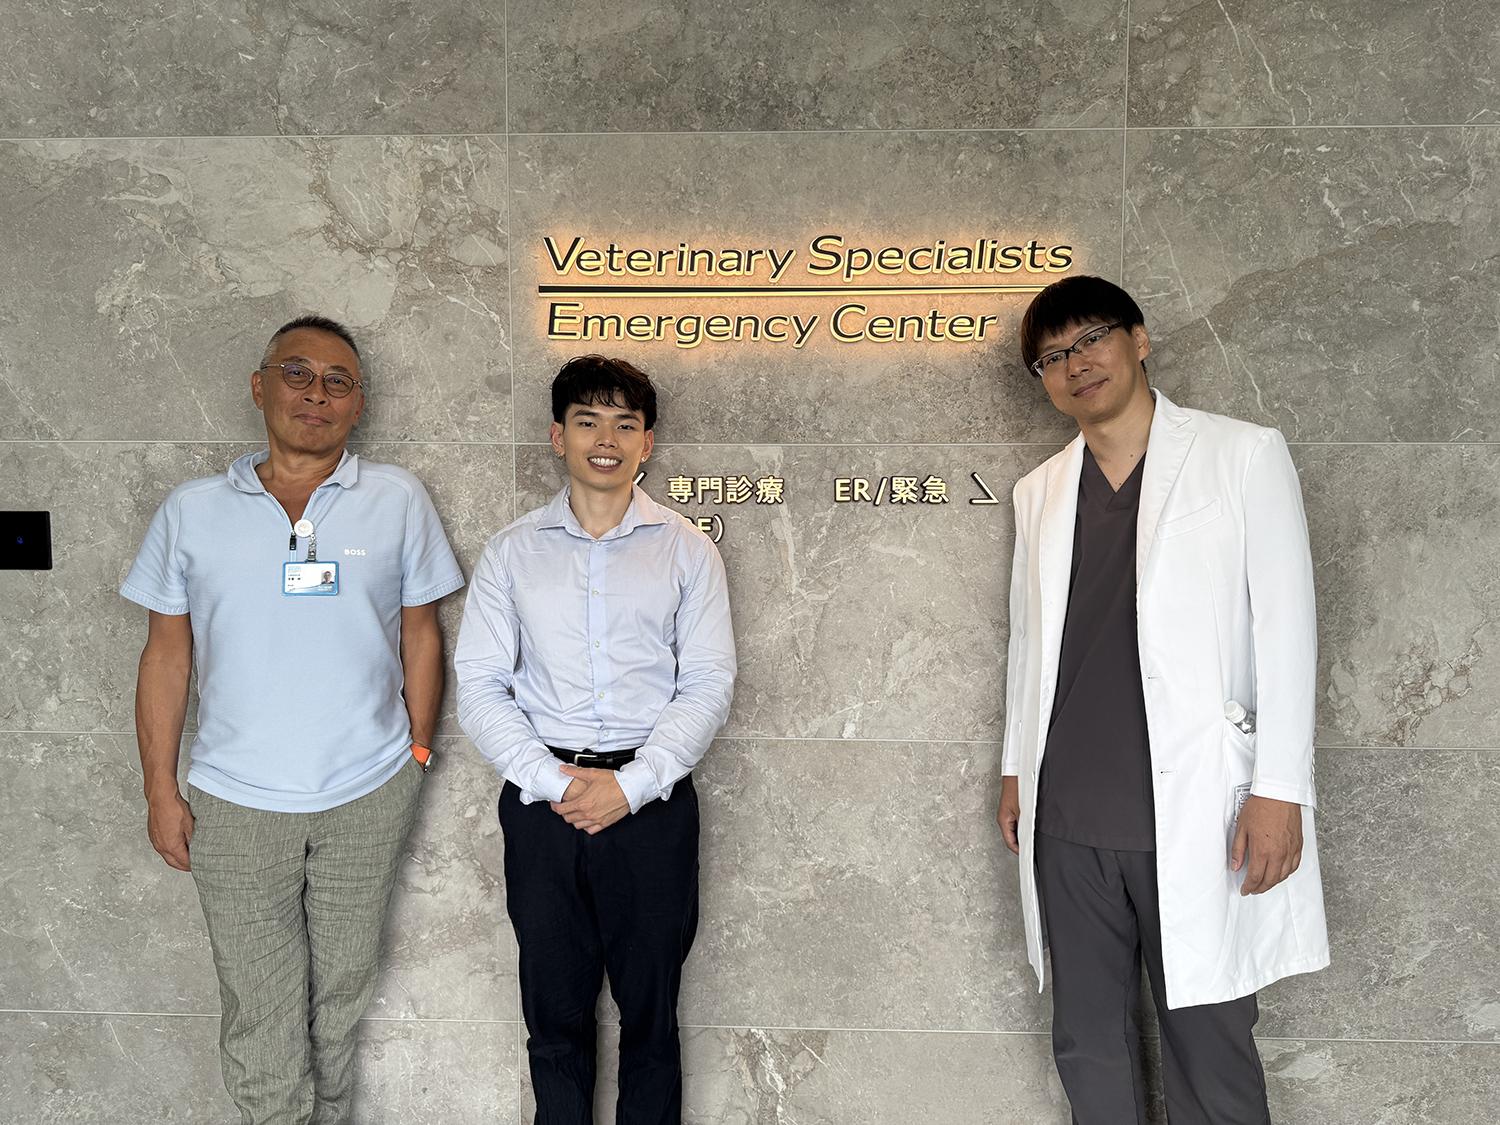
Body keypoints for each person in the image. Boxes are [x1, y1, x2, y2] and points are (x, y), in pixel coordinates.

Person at [994, 277, 1329, 1123]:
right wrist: (1013, 769)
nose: (1076, 364)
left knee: (1208, 1043)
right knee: (1087, 1042)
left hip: (1196, 804)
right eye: (1053, 356)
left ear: (1138, 339)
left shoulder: (1240, 455)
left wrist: (1281, 789)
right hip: (1068, 814)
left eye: (1091, 339)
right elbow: (1030, 641)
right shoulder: (1042, 489)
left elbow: (1287, 629)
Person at [123, 314, 465, 1124]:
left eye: (337, 380)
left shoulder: (397, 499)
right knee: (259, 1003)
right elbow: (166, 657)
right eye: (298, 373)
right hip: (233, 802)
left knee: (341, 994)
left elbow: (422, 631)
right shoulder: (192, 510)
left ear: (359, 402)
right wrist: (159, 789)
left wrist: (415, 751)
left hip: (367, 791)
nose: (317, 393)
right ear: (260, 386)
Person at [455, 355, 735, 1124]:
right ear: (557, 435)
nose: (604, 439)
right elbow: (479, 684)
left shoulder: (686, 550)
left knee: (651, 1018)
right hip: (543, 809)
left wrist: (632, 785)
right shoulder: (512, 552)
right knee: (554, 1016)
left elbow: (707, 682)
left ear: (647, 443)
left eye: (624, 424)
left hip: (652, 809)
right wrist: (555, 783)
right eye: (587, 421)